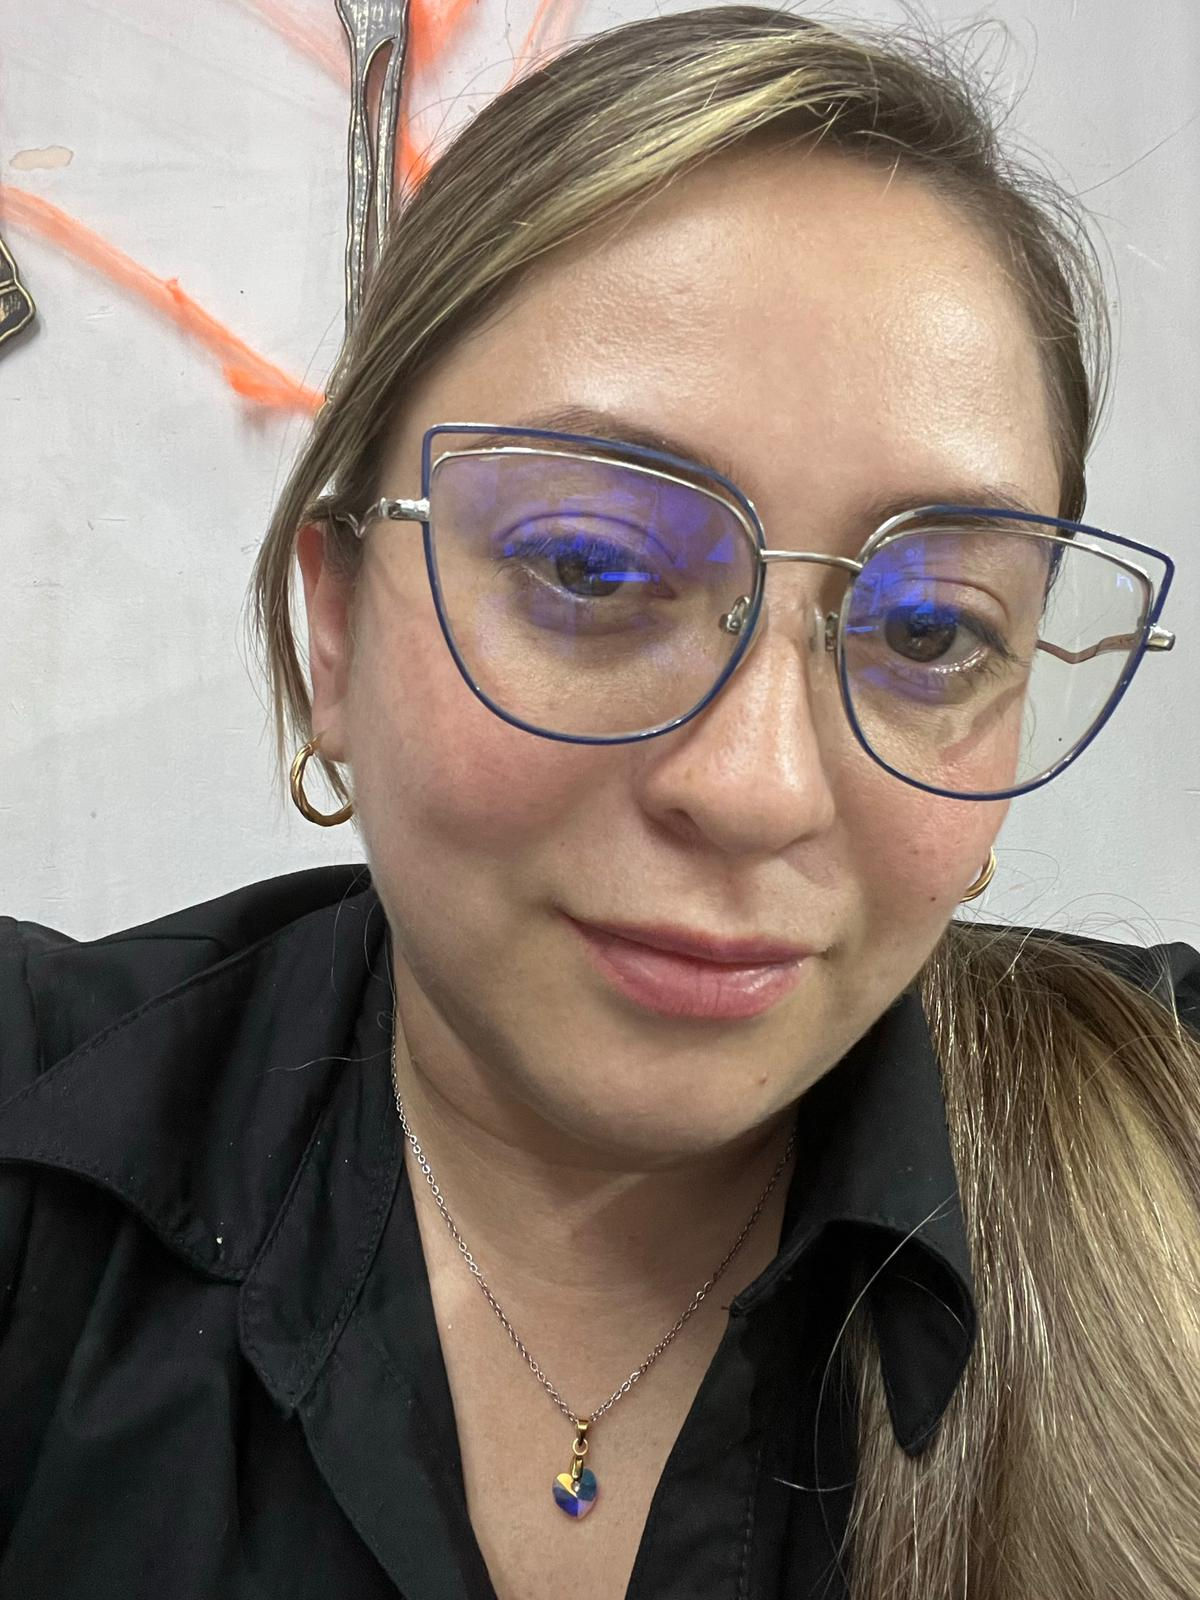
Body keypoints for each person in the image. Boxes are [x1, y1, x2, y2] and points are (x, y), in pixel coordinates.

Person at [2, 6, 1198, 1597]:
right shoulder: (36, 1159)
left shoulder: (1163, 1150)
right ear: (335, 628)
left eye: (928, 630)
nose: (758, 790)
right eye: (589, 566)